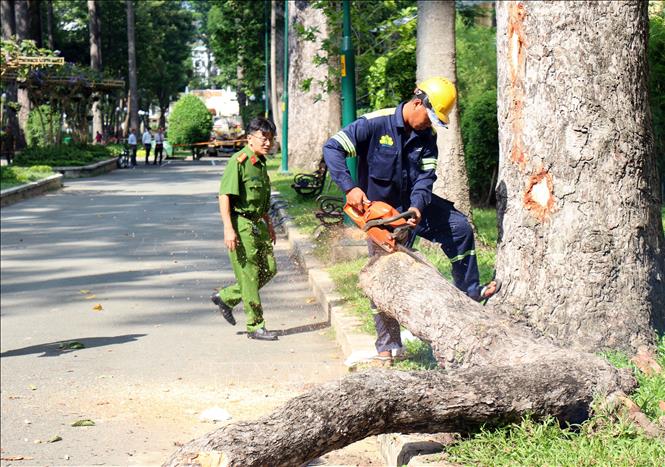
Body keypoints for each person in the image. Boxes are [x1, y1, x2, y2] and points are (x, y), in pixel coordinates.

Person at [322, 77, 501, 365]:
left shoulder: (427, 137)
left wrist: (417, 207)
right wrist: (350, 187)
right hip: (381, 215)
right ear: (417, 103)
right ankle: (387, 347)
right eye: (428, 117)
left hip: (414, 208)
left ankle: (469, 294)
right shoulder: (375, 124)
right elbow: (332, 148)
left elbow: (425, 177)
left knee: (459, 228)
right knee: (384, 274)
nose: (429, 124)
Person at [212, 117, 279, 341]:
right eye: (264, 138)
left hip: (258, 224)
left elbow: (262, 198)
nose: (268, 143)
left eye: (271, 139)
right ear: (250, 139)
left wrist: (269, 225)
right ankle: (255, 326)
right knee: (249, 275)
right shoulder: (238, 162)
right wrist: (228, 229)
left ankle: (227, 297)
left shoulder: (260, 163)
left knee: (269, 268)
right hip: (241, 225)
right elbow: (225, 196)